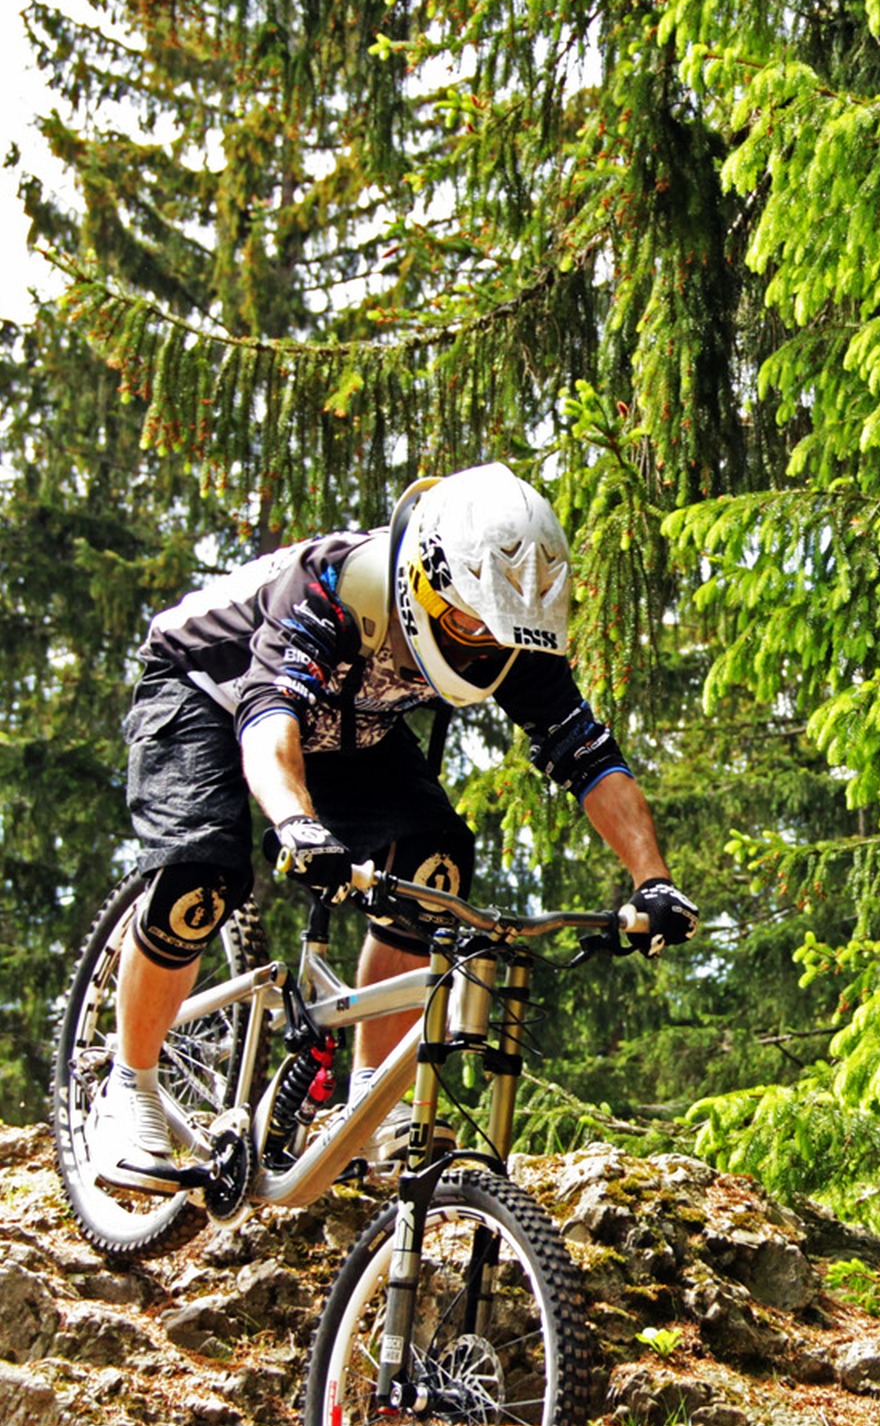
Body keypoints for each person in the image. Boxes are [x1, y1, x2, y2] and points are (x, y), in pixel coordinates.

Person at [91, 461, 699, 1193]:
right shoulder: (339, 590)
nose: (488, 649)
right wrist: (295, 822)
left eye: (504, 635)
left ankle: (371, 1101)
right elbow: (268, 720)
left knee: (434, 867)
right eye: (472, 626)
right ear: (425, 585)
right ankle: (130, 1085)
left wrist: (653, 880)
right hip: (208, 694)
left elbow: (590, 757)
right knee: (202, 877)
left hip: (348, 727)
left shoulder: (511, 633)